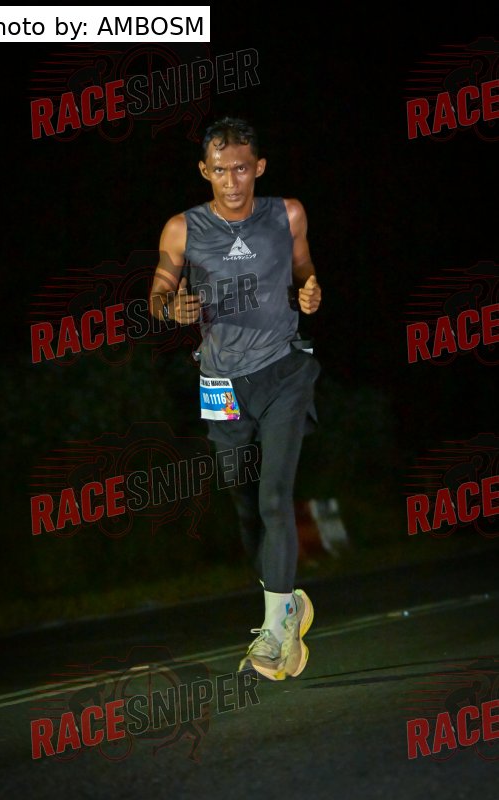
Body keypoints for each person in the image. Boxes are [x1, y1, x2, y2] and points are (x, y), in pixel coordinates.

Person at [150, 117, 322, 681]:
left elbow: (303, 263)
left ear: (259, 167)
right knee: (245, 506)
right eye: (221, 170)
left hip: (283, 372)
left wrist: (309, 287)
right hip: (220, 384)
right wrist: (171, 308)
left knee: (274, 496)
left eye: (242, 169)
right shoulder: (182, 228)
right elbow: (158, 291)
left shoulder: (286, 214)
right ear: (205, 170)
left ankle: (273, 632)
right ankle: (287, 606)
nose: (232, 181)